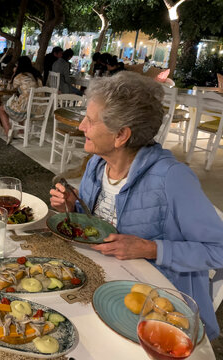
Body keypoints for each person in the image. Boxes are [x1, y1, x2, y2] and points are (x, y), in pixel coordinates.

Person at [49, 71, 223, 340]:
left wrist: (151, 248)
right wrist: (73, 209)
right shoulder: (97, 164)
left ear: (121, 135)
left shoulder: (172, 178)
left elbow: (218, 250)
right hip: (102, 283)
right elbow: (99, 226)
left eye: (90, 121)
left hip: (158, 312)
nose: (81, 126)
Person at [0, 56, 43, 140]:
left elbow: (9, 88)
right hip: (37, 110)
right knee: (20, 103)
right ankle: (21, 131)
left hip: (25, 110)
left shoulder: (20, 76)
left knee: (1, 109)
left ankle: (8, 133)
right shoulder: (37, 76)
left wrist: (14, 75)